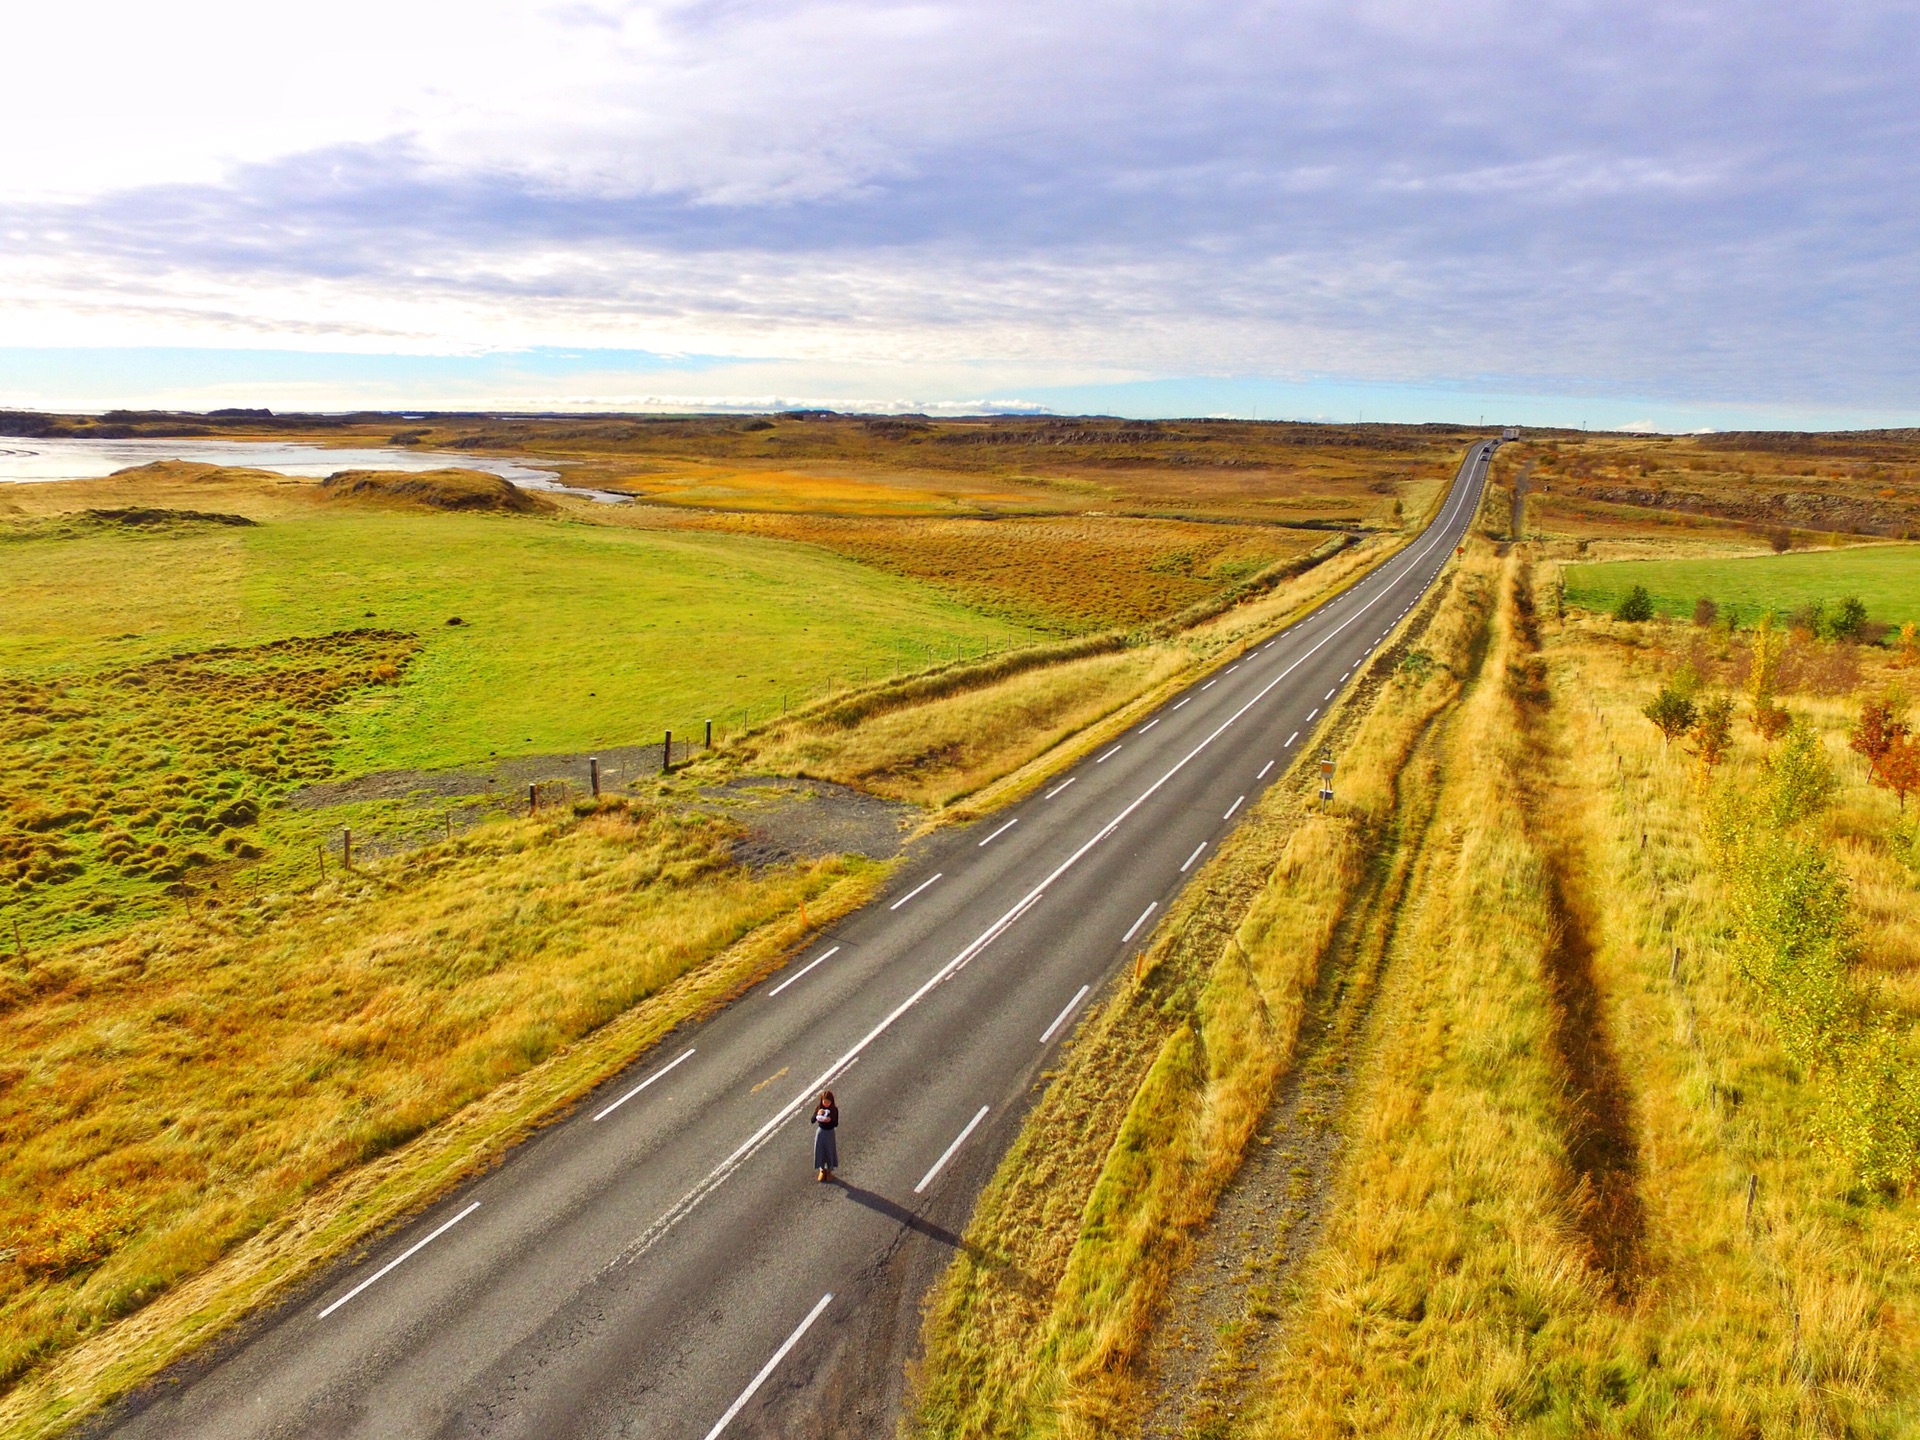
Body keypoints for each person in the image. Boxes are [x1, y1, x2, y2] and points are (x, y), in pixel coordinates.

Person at [812, 1091, 839, 1182]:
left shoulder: (834, 1110)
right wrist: (817, 1114)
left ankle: (829, 1171)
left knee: (829, 1151)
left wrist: (830, 1120)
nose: (826, 1104)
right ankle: (822, 1170)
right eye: (824, 1102)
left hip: (830, 1133)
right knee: (820, 1150)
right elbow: (812, 1120)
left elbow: (836, 1124)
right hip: (821, 1132)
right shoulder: (819, 1108)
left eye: (828, 1102)